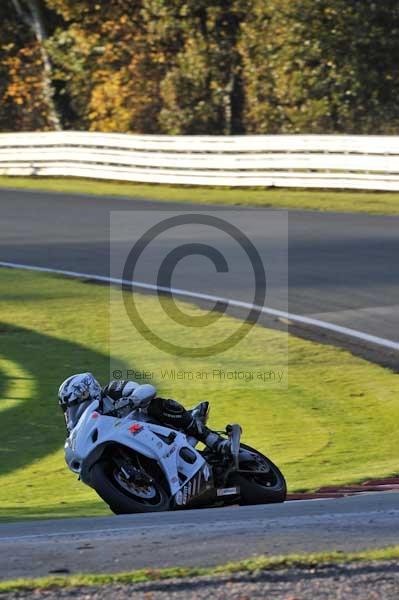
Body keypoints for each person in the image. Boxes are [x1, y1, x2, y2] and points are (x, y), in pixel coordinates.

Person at [58, 372, 230, 455]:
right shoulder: (85, 430)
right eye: (70, 408)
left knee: (155, 405)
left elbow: (147, 389)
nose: (75, 411)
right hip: (134, 450)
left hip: (155, 431)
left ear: (89, 391)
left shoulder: (112, 391)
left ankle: (213, 440)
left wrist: (131, 400)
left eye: (77, 403)